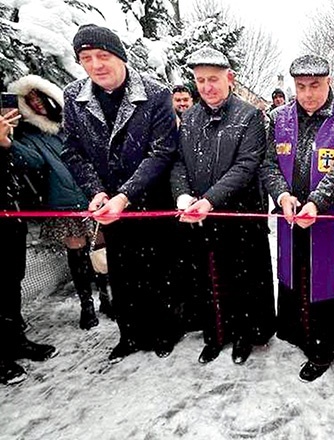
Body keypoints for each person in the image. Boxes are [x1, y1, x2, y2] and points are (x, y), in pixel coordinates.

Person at [61, 24, 180, 362]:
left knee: (158, 268)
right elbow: (72, 150)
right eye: (86, 58)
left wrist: (125, 195)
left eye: (103, 56)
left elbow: (161, 151)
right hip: (108, 203)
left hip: (149, 198)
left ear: (120, 57)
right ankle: (130, 333)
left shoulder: (155, 94)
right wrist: (96, 191)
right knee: (122, 270)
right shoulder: (74, 96)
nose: (96, 65)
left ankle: (164, 330)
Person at [260, 54, 334, 382]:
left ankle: (324, 343)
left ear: (329, 82)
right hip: (290, 216)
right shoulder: (278, 118)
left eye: (315, 86)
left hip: (330, 220)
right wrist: (282, 196)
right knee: (295, 275)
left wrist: (317, 202)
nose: (307, 93)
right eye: (301, 86)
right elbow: (268, 165)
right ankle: (297, 330)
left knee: (327, 280)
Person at [171, 47, 275, 365]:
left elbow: (245, 166)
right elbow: (178, 163)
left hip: (239, 214)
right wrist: (183, 196)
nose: (207, 87)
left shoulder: (249, 116)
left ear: (229, 78)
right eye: (200, 80)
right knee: (207, 277)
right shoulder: (188, 118)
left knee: (242, 278)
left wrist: (210, 199)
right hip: (199, 216)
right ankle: (215, 333)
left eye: (213, 79)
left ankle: (244, 334)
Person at [8, 74, 114, 330]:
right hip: (64, 204)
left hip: (92, 198)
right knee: (76, 255)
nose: (37, 104)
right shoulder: (31, 137)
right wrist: (7, 141)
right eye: (30, 100)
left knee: (100, 253)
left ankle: (106, 299)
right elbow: (30, 161)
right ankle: (86, 305)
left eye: (39, 97)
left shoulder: (74, 127)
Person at [1, 107, 58, 386]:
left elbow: (29, 166)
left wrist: (4, 144)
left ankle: (14, 341)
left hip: (10, 218)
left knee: (11, 281)